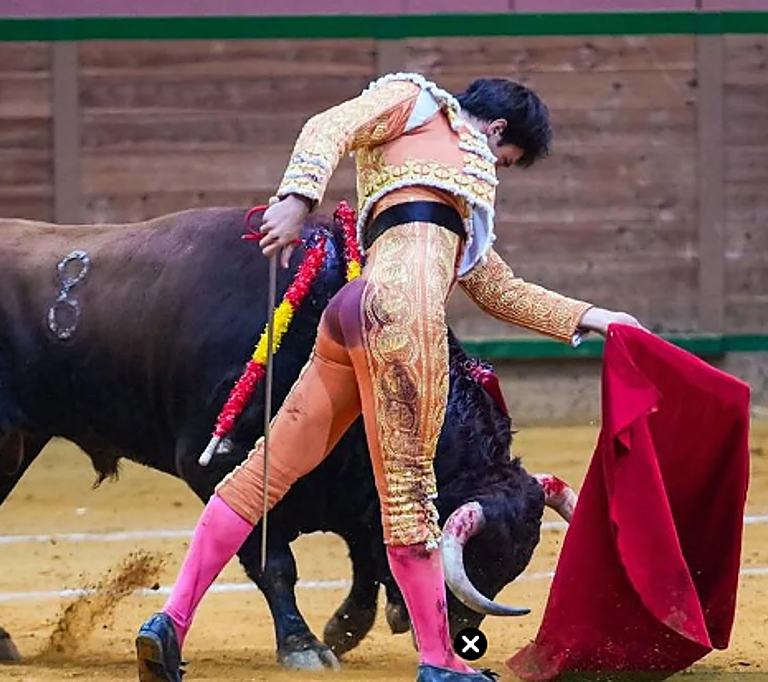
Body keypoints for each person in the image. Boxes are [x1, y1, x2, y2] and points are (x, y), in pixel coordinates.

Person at [134, 73, 644, 682]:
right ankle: (440, 661)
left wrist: (594, 317)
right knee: (407, 498)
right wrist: (297, 200)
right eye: (506, 159)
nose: (497, 171)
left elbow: (499, 288)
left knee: (260, 475)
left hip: (350, 310)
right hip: (402, 319)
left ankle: (170, 620)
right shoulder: (419, 102)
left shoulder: (442, 180)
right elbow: (328, 126)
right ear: (496, 130)